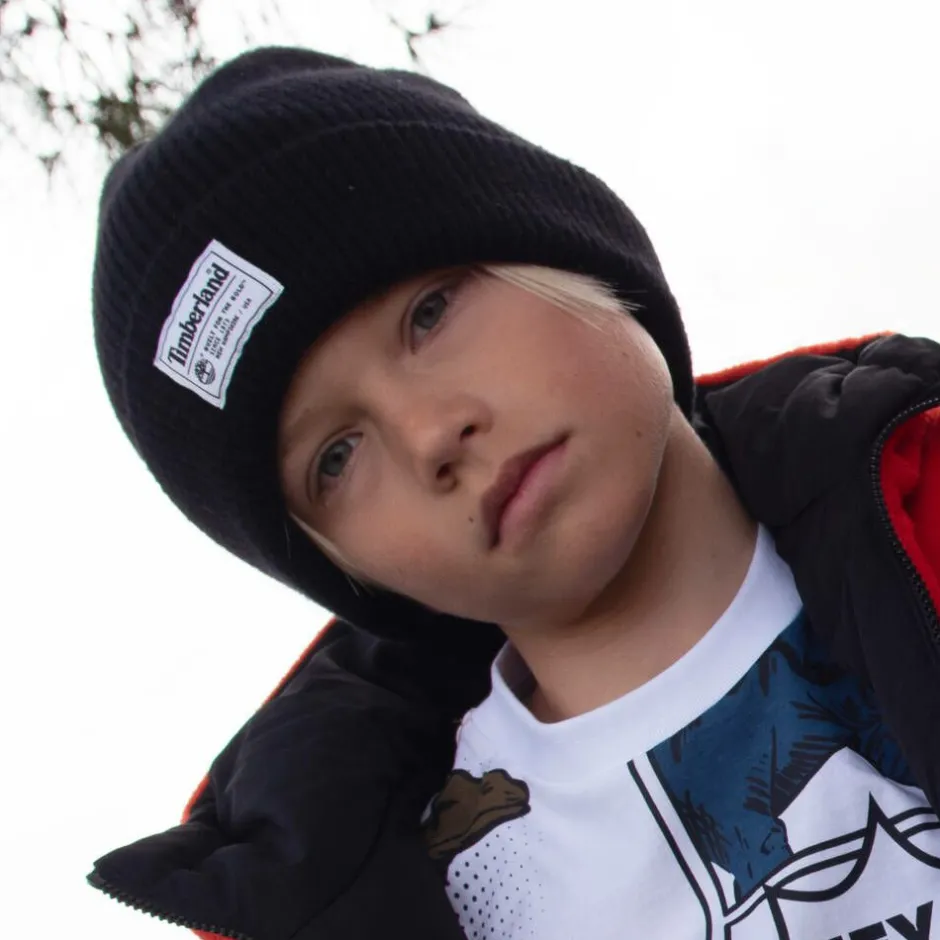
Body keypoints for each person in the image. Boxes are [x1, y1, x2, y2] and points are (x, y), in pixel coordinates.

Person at [87, 47, 940, 940]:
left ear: (560, 244)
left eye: (428, 313)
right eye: (336, 457)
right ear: (335, 563)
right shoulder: (392, 896)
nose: (428, 435)